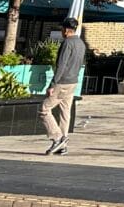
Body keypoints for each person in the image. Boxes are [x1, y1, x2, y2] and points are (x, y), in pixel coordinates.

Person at [40, 18, 86, 155]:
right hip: (73, 81)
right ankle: (63, 143)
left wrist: (52, 84)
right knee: (65, 112)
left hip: (63, 82)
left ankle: (57, 137)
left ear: (66, 30)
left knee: (44, 109)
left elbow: (61, 65)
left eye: (62, 29)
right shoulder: (81, 43)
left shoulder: (67, 43)